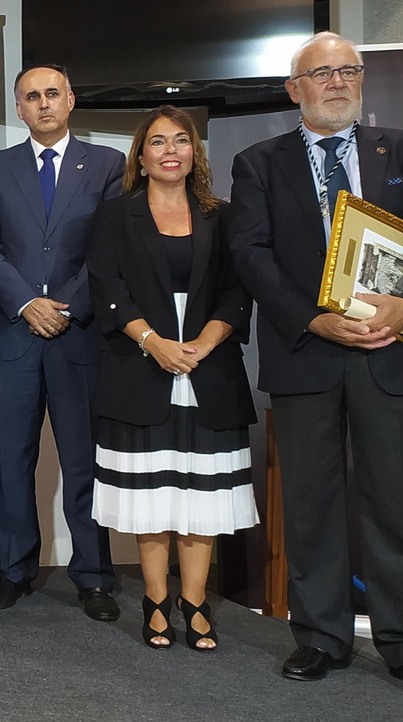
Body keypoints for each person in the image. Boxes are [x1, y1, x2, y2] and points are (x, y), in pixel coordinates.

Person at [229, 32, 403, 704]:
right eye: (321, 72)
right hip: (307, 354)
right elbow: (250, 252)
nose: (337, 81)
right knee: (310, 504)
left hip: (392, 351)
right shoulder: (257, 163)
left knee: (400, 505)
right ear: (293, 88)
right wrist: (312, 317)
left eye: (348, 70)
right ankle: (322, 636)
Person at [87, 106, 259, 651]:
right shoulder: (116, 215)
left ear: (194, 153)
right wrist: (154, 343)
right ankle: (157, 601)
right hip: (141, 367)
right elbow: (107, 288)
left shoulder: (224, 215)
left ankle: (196, 602)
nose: (169, 150)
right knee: (152, 497)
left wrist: (202, 346)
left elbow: (238, 291)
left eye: (180, 141)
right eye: (157, 142)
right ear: (141, 155)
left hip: (210, 369)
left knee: (200, 499)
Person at [0, 63, 124, 620]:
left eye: (51, 94)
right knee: (11, 461)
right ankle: (13, 571)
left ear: (71, 99)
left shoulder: (107, 164)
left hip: (78, 335)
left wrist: (64, 305)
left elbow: (109, 250)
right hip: (13, 334)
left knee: (85, 462)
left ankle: (94, 576)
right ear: (18, 109)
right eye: (31, 97)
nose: (42, 104)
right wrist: (26, 302)